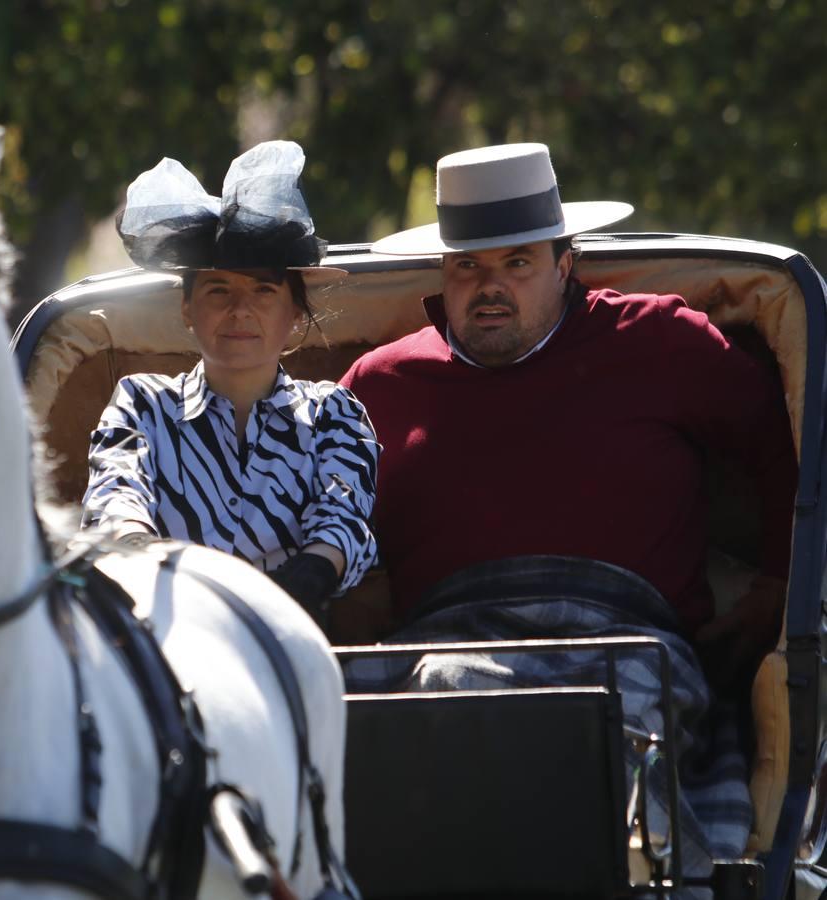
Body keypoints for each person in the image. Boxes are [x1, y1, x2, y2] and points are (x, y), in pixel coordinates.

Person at [339, 142, 797, 877]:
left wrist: (778, 581)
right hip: (436, 652)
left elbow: (789, 447)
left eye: (516, 262)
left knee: (572, 760)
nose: (490, 287)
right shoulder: (377, 385)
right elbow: (318, 518)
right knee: (327, 729)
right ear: (443, 274)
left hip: (623, 648)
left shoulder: (660, 339)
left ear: (564, 262)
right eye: (468, 266)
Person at [82, 141, 380, 626]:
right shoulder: (142, 404)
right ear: (187, 309)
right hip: (164, 631)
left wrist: (301, 583)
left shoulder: (334, 413)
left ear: (295, 312)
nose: (240, 311)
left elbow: (343, 517)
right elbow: (116, 493)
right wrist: (143, 561)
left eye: (264, 291)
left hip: (292, 640)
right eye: (218, 290)